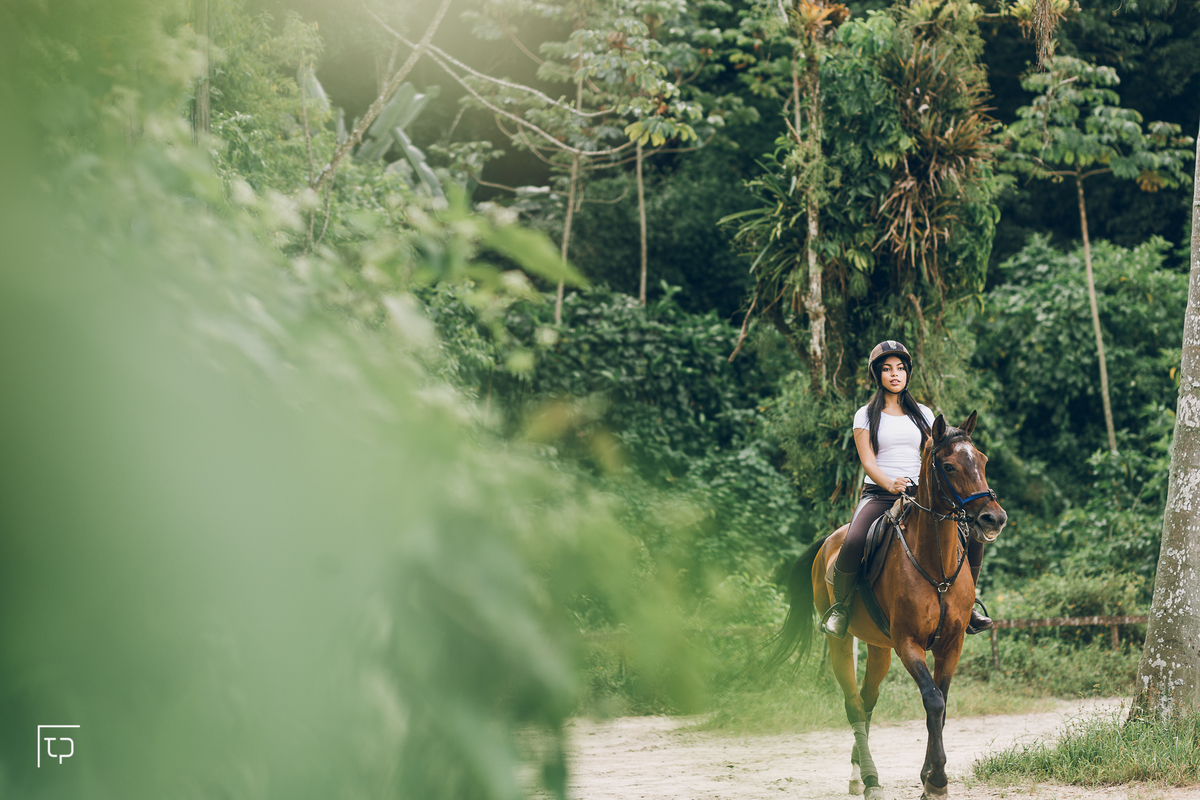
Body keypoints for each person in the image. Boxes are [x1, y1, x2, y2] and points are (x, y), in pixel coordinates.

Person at [820, 340, 992, 639]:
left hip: (920, 495)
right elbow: (868, 461)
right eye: (887, 369)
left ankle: (969, 605)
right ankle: (841, 609)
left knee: (973, 534)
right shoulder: (865, 415)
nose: (894, 374)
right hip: (879, 493)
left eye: (900, 368)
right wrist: (889, 483)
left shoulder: (923, 413)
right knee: (855, 539)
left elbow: (938, 450)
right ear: (878, 375)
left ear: (907, 373)